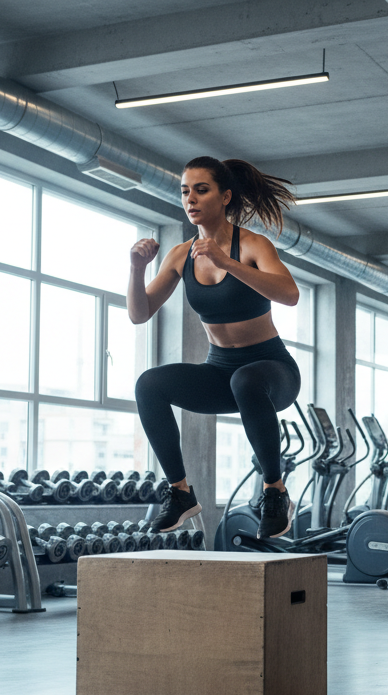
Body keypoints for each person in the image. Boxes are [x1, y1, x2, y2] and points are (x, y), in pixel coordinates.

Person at [128, 157, 301, 538]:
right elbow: (140, 314)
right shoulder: (180, 255)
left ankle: (275, 490)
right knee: (149, 384)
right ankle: (180, 493)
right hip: (221, 372)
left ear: (225, 197)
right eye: (185, 191)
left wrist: (227, 262)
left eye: (201, 190)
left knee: (247, 380)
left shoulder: (253, 245)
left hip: (272, 372)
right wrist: (137, 268)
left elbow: (290, 295)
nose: (190, 199)